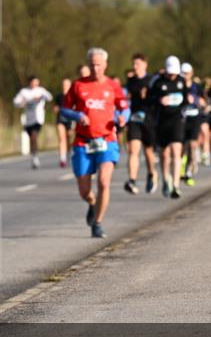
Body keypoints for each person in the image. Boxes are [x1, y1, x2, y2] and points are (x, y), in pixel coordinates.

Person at [61, 48, 128, 238]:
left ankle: (98, 223)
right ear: (88, 65)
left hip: (107, 140)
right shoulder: (78, 85)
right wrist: (78, 115)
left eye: (99, 64)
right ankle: (92, 203)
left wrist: (123, 118)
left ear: (106, 65)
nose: (95, 68)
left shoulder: (113, 86)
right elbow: (65, 110)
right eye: (92, 64)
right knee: (84, 191)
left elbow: (125, 107)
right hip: (83, 142)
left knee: (104, 182)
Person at [149, 56, 188, 199]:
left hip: (177, 120)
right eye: (170, 72)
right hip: (162, 122)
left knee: (176, 152)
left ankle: (176, 185)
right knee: (165, 154)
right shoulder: (158, 83)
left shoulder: (181, 81)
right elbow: (150, 100)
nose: (172, 75)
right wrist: (159, 101)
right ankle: (166, 179)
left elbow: (185, 99)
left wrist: (185, 104)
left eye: (175, 72)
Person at [123, 53, 157, 194]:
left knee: (148, 151)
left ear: (145, 65)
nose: (135, 67)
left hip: (149, 120)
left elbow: (157, 99)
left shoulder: (151, 80)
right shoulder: (130, 81)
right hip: (134, 120)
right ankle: (132, 180)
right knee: (133, 150)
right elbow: (126, 97)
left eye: (137, 64)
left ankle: (151, 174)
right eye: (133, 64)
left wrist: (148, 95)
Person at [13, 76, 53, 169]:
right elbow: (15, 102)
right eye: (33, 83)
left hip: (38, 119)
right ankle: (34, 155)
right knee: (32, 138)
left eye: (36, 83)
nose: (35, 84)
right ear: (30, 83)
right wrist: (22, 102)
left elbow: (49, 97)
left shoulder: (41, 90)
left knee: (34, 137)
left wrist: (41, 97)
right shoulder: (24, 92)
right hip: (28, 119)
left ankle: (35, 158)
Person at [181, 62, 206, 186]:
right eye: (183, 73)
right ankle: (181, 166)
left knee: (192, 145)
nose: (185, 76)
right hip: (182, 118)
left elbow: (203, 101)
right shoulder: (179, 86)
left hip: (195, 117)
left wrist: (195, 100)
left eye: (187, 73)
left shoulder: (196, 86)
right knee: (181, 146)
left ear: (191, 73)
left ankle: (188, 172)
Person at [53, 77, 73, 168]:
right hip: (60, 119)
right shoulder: (59, 96)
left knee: (68, 139)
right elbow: (55, 107)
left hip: (70, 120)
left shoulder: (73, 96)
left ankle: (68, 155)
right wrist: (56, 109)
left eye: (67, 84)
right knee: (62, 138)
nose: (65, 86)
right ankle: (62, 158)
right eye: (63, 84)